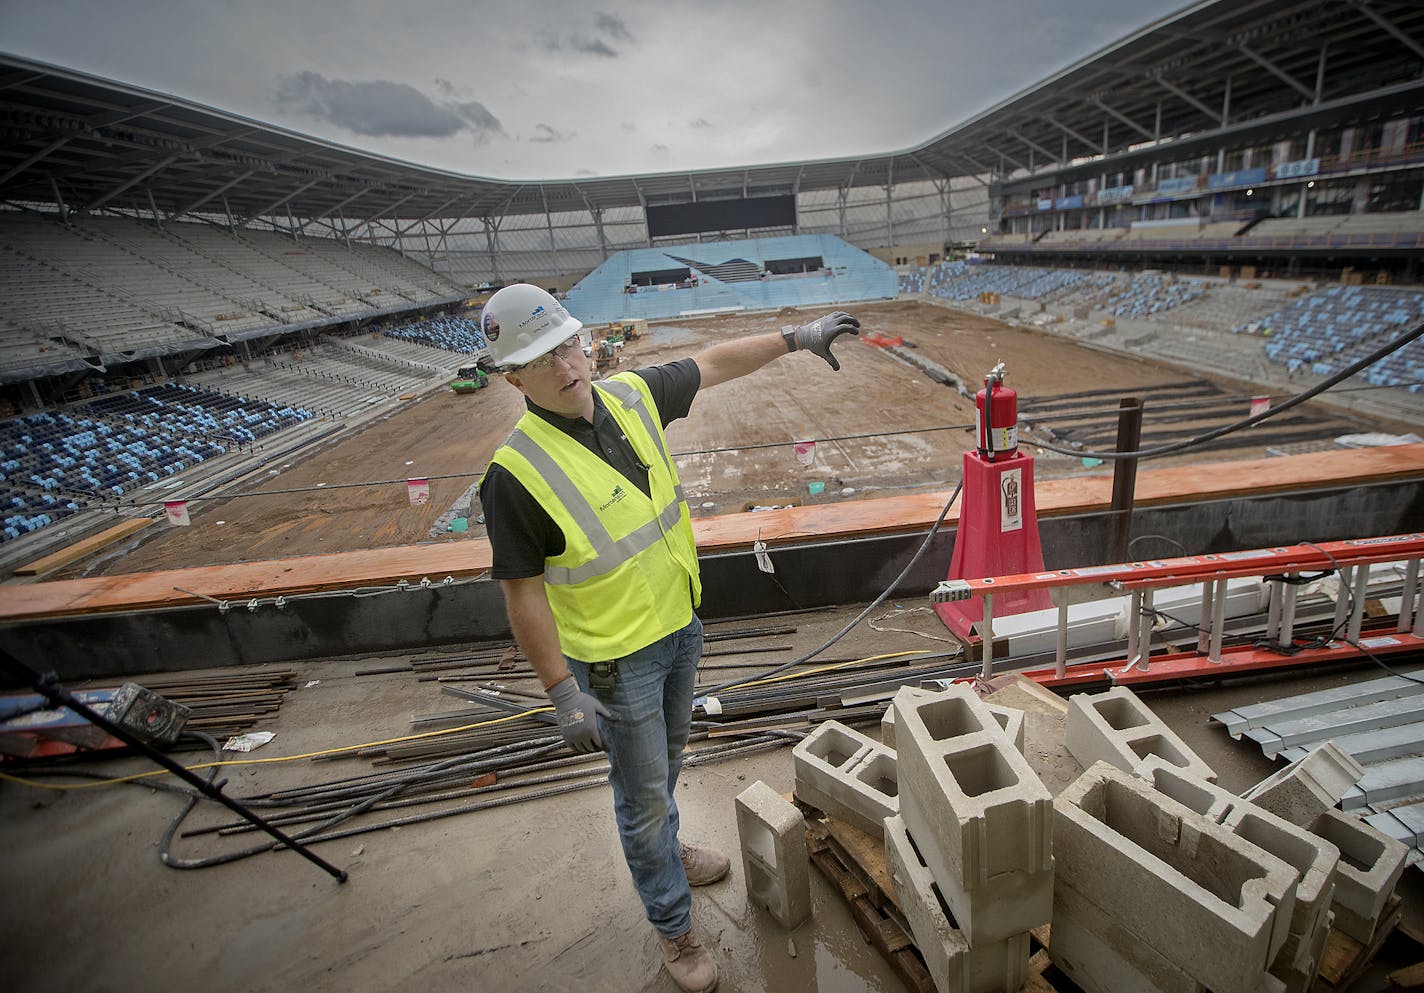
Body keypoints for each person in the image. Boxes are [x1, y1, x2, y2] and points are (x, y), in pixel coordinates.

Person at [477, 284, 859, 993]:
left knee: (667, 761)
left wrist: (795, 338)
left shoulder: (628, 396)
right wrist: (563, 691)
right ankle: (674, 928)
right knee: (643, 795)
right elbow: (522, 594)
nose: (565, 364)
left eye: (567, 343)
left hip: (681, 628)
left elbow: (711, 364)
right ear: (511, 376)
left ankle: (668, 851)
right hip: (618, 665)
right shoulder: (514, 475)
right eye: (540, 357)